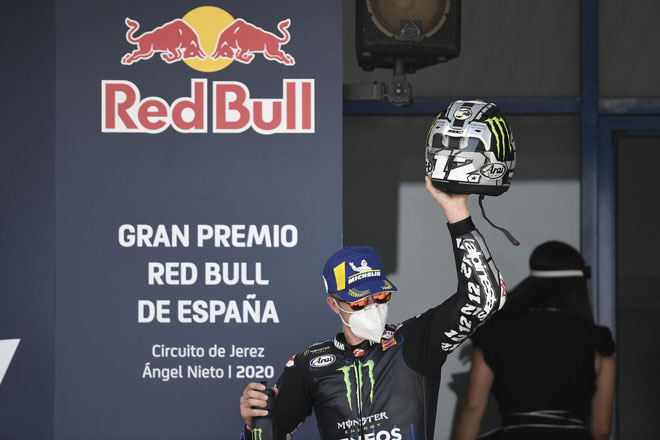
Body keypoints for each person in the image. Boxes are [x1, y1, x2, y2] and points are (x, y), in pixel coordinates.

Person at [238, 176, 507, 440]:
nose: (371, 306)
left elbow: (484, 299)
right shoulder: (309, 364)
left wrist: (457, 213)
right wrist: (253, 425)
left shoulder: (414, 342)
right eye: (358, 301)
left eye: (379, 296)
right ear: (334, 305)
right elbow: (269, 434)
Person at [455, 241, 616, 440]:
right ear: (578, 286)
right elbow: (602, 430)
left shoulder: (496, 332)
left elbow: (473, 407)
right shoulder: (597, 340)